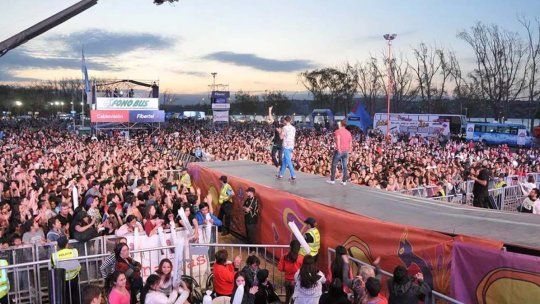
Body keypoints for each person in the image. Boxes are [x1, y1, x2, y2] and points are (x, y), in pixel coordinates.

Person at [51, 235, 81, 303]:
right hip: (74, 277)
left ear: (58, 245)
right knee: (75, 294)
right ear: (67, 244)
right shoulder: (74, 251)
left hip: (62, 279)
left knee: (65, 295)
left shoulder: (54, 255)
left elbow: (53, 267)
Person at [278, 240, 304, 304]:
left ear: (290, 247)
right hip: (296, 282)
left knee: (287, 297)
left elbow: (280, 268)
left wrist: (286, 269)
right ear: (299, 248)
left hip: (287, 281)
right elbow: (303, 270)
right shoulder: (301, 258)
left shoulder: (284, 257)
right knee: (294, 298)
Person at [327, 119, 353, 185]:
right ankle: (344, 181)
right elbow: (350, 142)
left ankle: (332, 180)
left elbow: (338, 140)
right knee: (345, 166)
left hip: (340, 150)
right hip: (346, 151)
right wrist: (349, 149)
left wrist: (338, 149)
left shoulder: (337, 131)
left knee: (334, 165)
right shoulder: (348, 132)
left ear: (340, 124)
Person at [277, 116, 297, 180]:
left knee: (288, 161)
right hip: (291, 145)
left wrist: (279, 131)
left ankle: (293, 176)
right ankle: (280, 175)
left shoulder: (284, 127)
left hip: (286, 146)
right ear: (290, 120)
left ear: (285, 121)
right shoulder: (293, 128)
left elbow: (281, 137)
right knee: (285, 161)